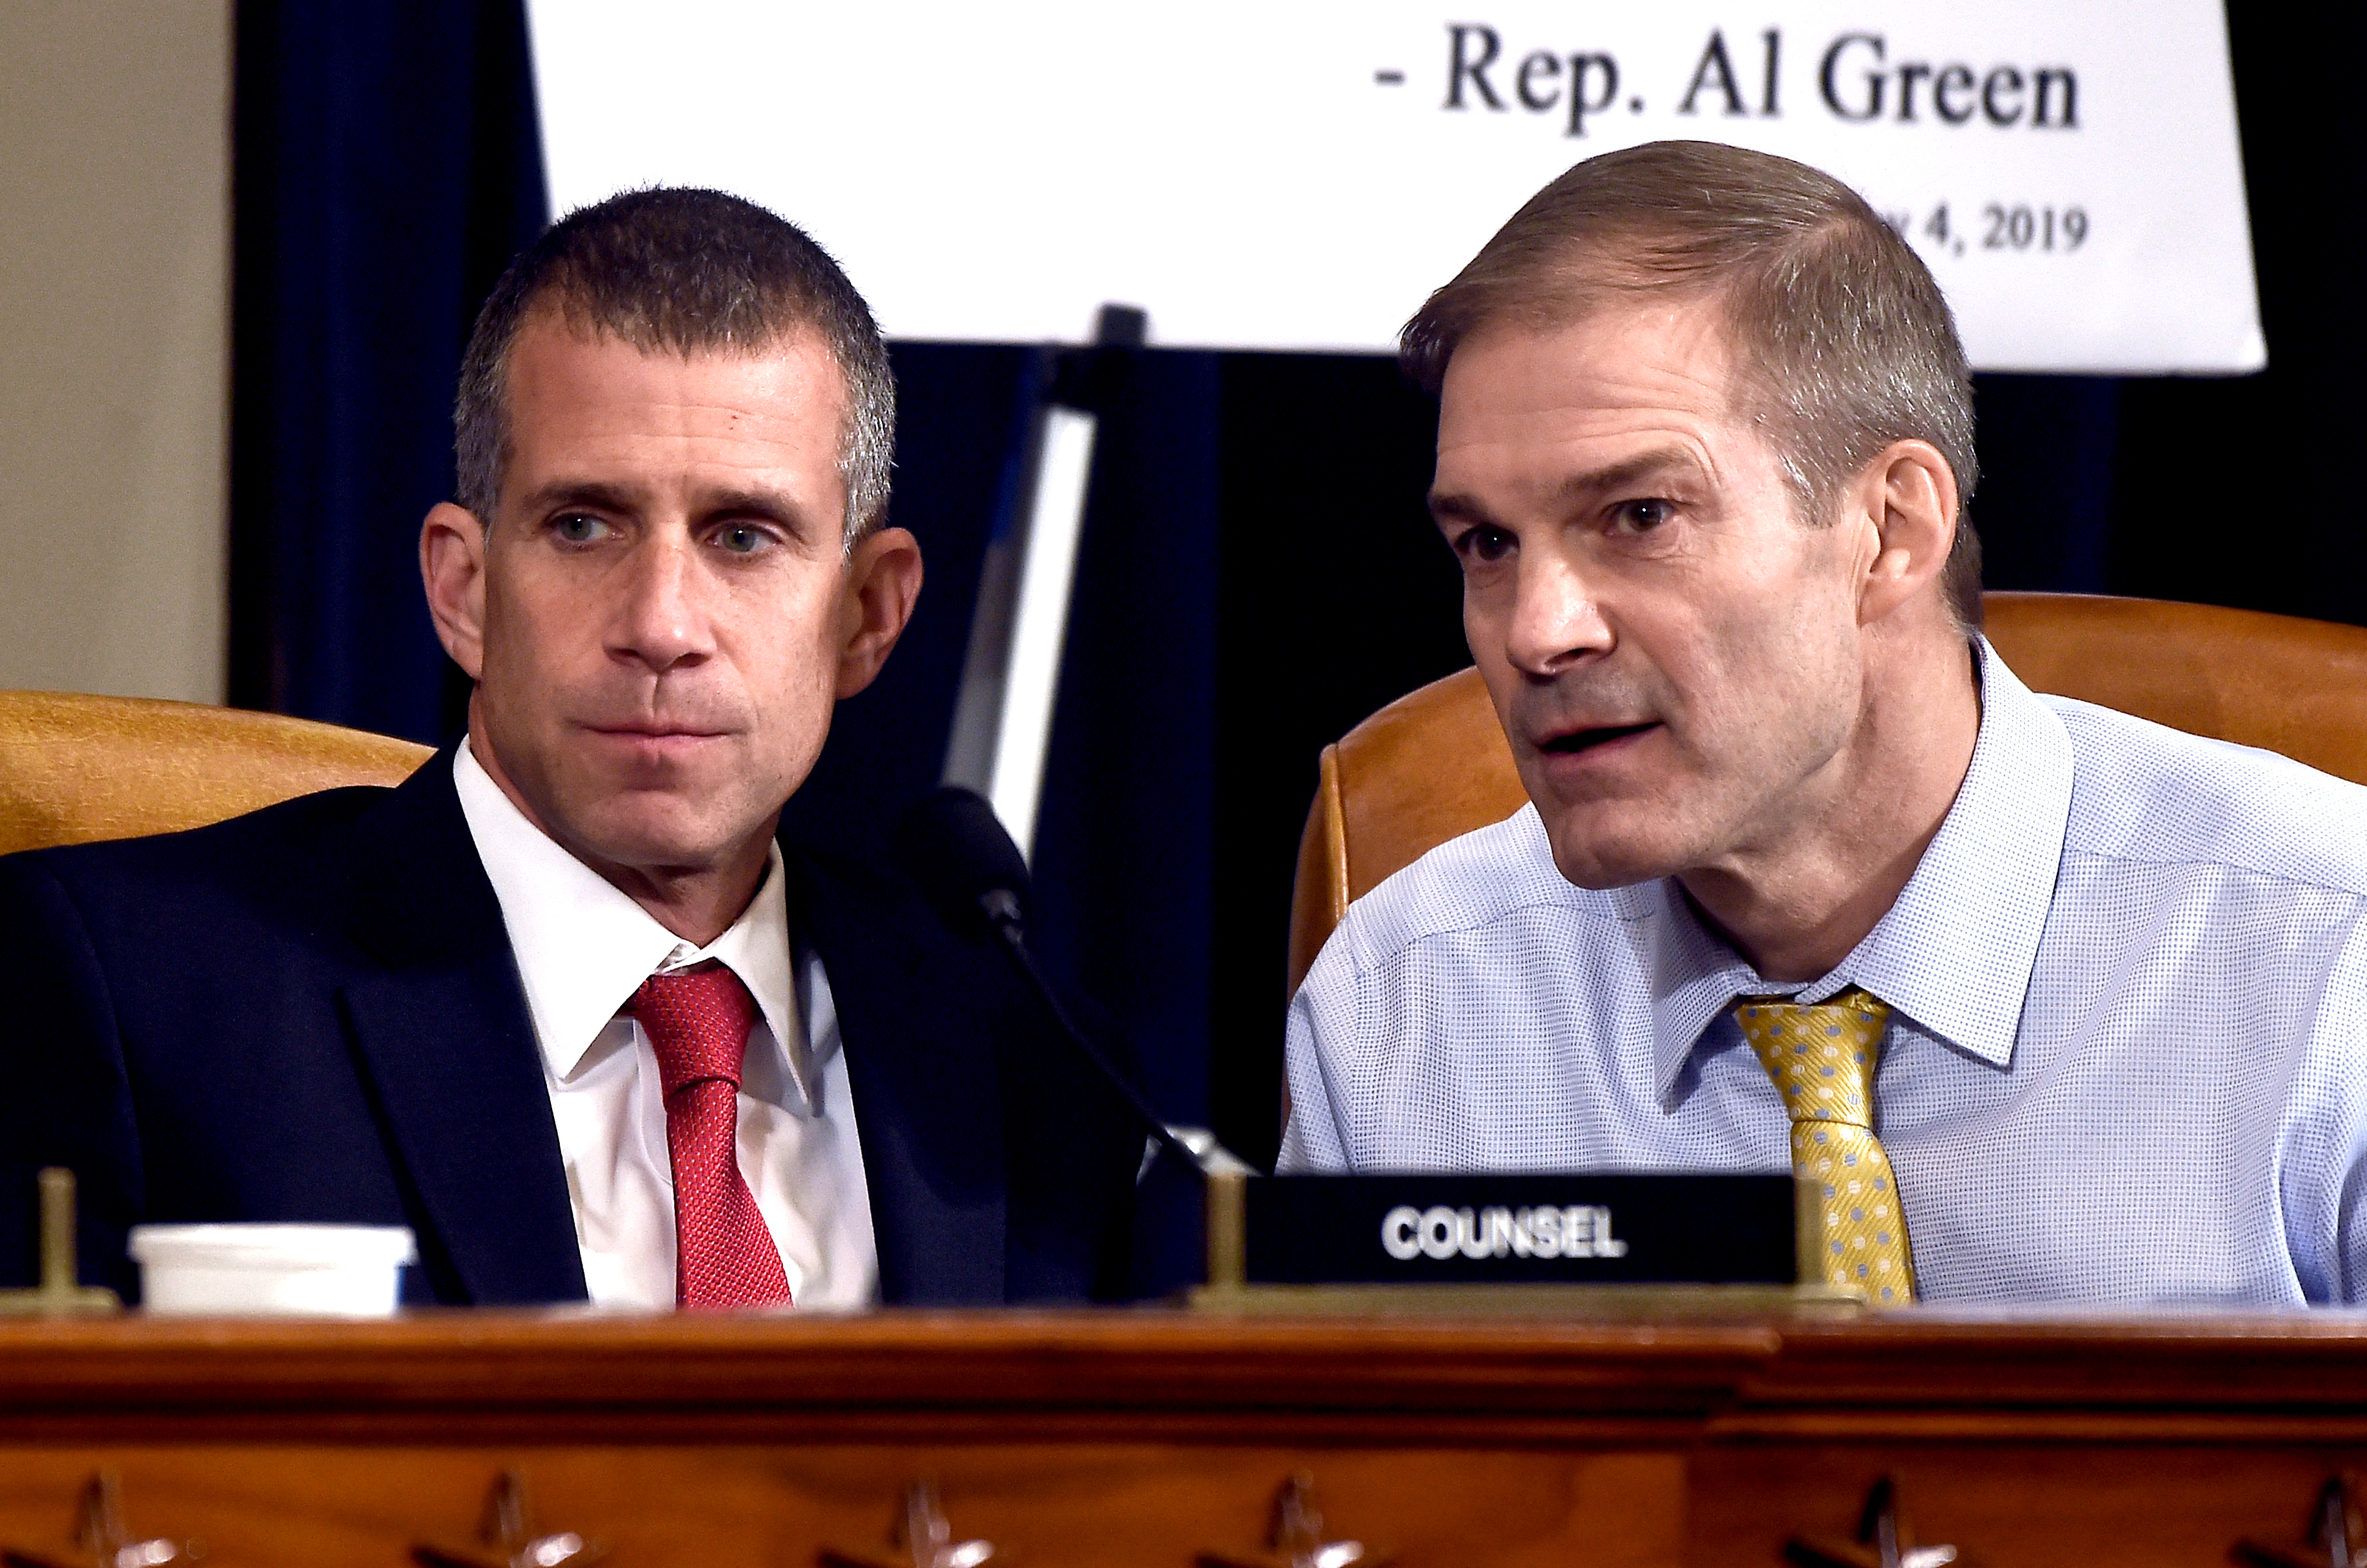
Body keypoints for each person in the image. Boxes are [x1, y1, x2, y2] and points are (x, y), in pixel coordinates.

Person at [0, 188, 1143, 1308]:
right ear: (463, 588)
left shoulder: (1020, 1058)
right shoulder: (128, 997)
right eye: (583, 525)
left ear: (868, 615)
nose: (660, 625)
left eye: (743, 536)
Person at [1279, 140, 2367, 1306]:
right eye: (1488, 544)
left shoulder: (2328, 956)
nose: (1536, 632)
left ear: (1891, 530)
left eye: (1638, 514)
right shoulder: (1402, 1005)